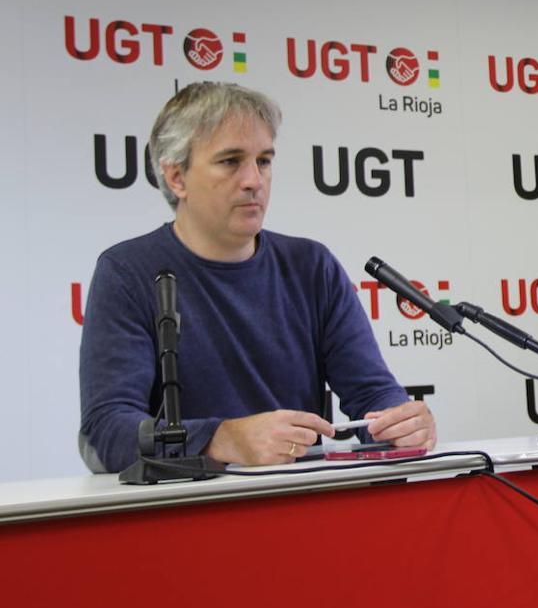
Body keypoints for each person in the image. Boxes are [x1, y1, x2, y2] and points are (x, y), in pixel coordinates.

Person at [79, 82, 435, 472]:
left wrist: (400, 422)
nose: (254, 180)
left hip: (304, 502)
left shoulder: (311, 265)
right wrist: (222, 439)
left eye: (264, 161)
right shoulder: (128, 272)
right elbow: (106, 432)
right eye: (231, 161)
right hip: (184, 515)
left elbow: (371, 391)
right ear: (177, 177)